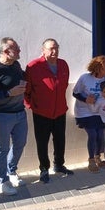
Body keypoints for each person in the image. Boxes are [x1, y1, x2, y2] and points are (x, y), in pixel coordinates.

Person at [0, 37, 28, 196]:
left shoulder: (15, 65)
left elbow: (20, 77)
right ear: (6, 52)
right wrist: (8, 93)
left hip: (20, 113)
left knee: (20, 144)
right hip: (1, 115)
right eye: (17, 48)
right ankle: (3, 181)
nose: (20, 50)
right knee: (2, 148)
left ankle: (12, 171)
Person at [25, 38, 73, 184]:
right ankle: (44, 169)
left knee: (60, 139)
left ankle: (59, 164)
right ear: (43, 50)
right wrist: (31, 106)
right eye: (51, 48)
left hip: (59, 110)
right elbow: (26, 91)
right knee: (42, 142)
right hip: (41, 112)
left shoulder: (63, 64)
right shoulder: (33, 66)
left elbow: (63, 86)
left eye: (56, 48)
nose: (54, 51)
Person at [73, 55, 105, 172]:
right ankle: (91, 160)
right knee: (93, 134)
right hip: (85, 112)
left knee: (100, 135)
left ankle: (97, 157)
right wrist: (85, 99)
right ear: (97, 67)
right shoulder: (85, 78)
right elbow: (75, 93)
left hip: (101, 112)